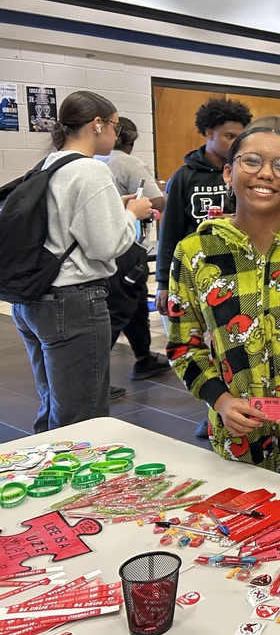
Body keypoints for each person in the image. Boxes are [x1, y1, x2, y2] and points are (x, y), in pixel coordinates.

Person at [166, 125, 280, 490]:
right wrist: (221, 401)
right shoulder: (196, 251)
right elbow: (184, 345)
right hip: (239, 441)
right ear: (229, 172)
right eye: (252, 161)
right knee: (243, 534)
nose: (266, 173)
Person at [11, 91, 153, 432]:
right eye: (116, 126)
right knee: (81, 418)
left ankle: (48, 471)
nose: (116, 136)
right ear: (98, 123)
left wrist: (112, 207)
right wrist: (132, 214)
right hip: (74, 302)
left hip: (34, 298)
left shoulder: (50, 164)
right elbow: (108, 246)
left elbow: (65, 220)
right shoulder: (90, 170)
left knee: (53, 408)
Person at [155, 98, 252, 316]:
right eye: (229, 136)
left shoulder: (244, 172)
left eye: (240, 137)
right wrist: (163, 281)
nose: (236, 143)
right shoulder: (184, 176)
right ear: (209, 134)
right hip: (195, 271)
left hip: (237, 269)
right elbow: (170, 232)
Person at [100, 116, 171, 388]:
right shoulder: (127, 162)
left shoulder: (94, 160)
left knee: (135, 300)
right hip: (125, 245)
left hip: (102, 249)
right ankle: (95, 378)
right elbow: (158, 201)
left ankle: (143, 357)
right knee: (119, 309)